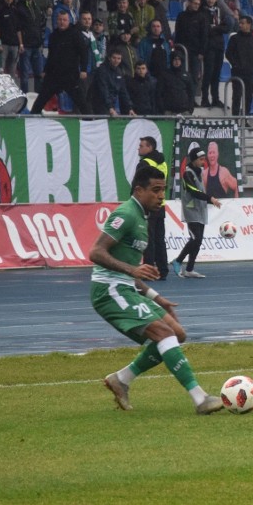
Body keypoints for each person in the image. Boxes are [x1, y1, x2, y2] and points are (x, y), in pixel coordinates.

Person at [92, 165, 224, 415]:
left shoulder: (142, 216)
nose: (161, 196)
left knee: (177, 333)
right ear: (139, 190)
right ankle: (200, 399)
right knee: (164, 333)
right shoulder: (127, 214)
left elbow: (131, 271)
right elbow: (96, 252)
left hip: (126, 288)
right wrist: (132, 271)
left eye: (163, 190)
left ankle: (121, 379)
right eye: (155, 190)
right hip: (109, 291)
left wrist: (156, 297)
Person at [171, 145, 222, 279]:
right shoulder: (187, 173)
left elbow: (200, 191)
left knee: (198, 241)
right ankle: (178, 260)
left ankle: (189, 269)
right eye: (200, 159)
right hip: (191, 210)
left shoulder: (198, 172)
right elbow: (194, 191)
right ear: (194, 160)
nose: (203, 162)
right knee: (196, 238)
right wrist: (210, 199)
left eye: (204, 159)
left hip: (200, 210)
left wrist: (209, 200)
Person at [29, 10, 90, 114]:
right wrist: (45, 70)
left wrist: (83, 69)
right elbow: (51, 55)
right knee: (40, 101)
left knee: (82, 102)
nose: (62, 22)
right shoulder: (53, 35)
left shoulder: (75, 34)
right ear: (57, 21)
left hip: (70, 75)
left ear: (69, 21)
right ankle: (31, 120)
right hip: (54, 75)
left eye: (64, 20)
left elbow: (84, 52)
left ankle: (90, 122)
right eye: (60, 20)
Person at [135, 136, 168, 280]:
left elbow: (138, 184)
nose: (139, 148)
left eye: (142, 146)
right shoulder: (163, 163)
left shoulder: (145, 163)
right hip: (161, 204)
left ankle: (148, 271)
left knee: (148, 239)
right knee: (160, 239)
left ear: (150, 148)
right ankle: (163, 270)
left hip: (148, 205)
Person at [225, 15, 253, 118]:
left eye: (242, 23)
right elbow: (228, 54)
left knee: (248, 96)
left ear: (249, 24)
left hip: (249, 72)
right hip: (237, 72)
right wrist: (235, 65)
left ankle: (246, 117)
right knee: (237, 95)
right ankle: (235, 118)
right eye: (239, 23)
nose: (240, 25)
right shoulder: (234, 38)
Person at [90, 47, 136, 115]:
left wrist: (130, 108)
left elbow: (123, 91)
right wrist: (110, 107)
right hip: (98, 103)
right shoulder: (102, 70)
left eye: (118, 58)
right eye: (114, 58)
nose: (116, 60)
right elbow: (103, 90)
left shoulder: (119, 72)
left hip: (111, 104)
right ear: (109, 58)